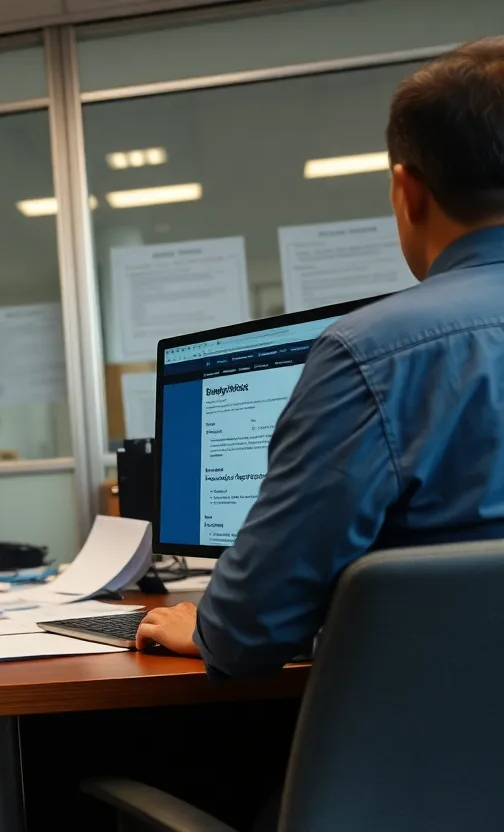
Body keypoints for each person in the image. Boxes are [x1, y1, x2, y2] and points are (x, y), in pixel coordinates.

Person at [136, 40, 504, 679]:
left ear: (408, 191)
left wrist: (209, 628)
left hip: (429, 733)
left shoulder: (373, 355)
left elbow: (250, 634)